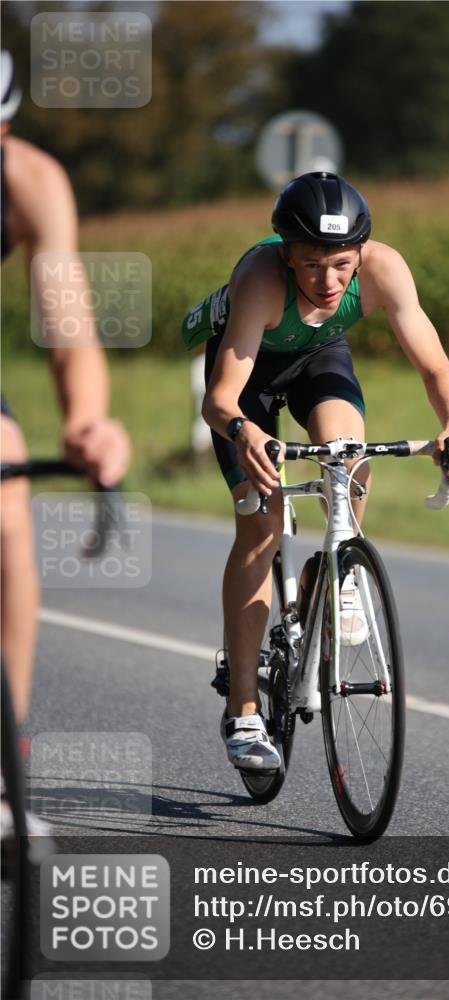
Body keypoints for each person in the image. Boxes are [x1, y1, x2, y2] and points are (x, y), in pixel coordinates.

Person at [190, 170, 449, 772]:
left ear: (362, 253)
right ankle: (243, 708)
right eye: (313, 264)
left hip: (320, 357)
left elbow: (435, 368)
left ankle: (339, 571)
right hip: (250, 380)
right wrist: (247, 434)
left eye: (342, 264)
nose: (329, 281)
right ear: (287, 255)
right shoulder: (261, 280)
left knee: (348, 454)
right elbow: (219, 401)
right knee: (262, 524)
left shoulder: (385, 269)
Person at [0, 51, 131, 834]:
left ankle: (2, 764)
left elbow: (68, 326)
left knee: (9, 505)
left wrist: (87, 420)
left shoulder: (32, 183)